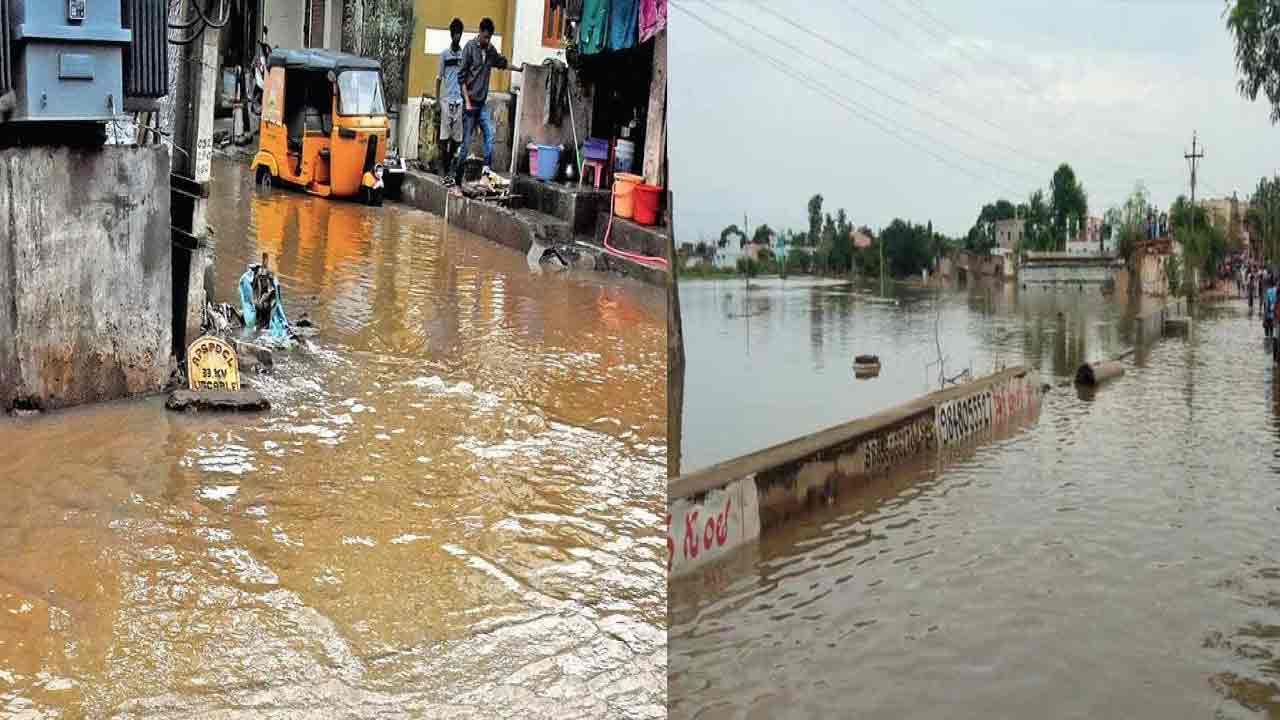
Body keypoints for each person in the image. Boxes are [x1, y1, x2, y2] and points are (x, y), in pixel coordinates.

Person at [453, 17, 522, 190]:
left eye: (489, 38)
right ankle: (458, 177)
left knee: (490, 134)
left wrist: (519, 69)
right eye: (485, 37)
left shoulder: (490, 51)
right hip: (470, 105)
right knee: (467, 143)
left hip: (482, 104)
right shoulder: (469, 48)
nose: (487, 41)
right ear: (480, 33)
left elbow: (502, 63)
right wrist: (467, 102)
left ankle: (485, 173)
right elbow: (460, 78)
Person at [436, 18, 465, 179]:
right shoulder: (444, 55)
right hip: (446, 100)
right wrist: (437, 100)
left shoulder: (463, 55)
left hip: (459, 100)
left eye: (459, 34)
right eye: (455, 34)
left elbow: (465, 77)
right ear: (451, 35)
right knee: (444, 136)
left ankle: (451, 165)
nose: (457, 37)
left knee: (457, 138)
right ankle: (443, 167)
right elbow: (439, 78)